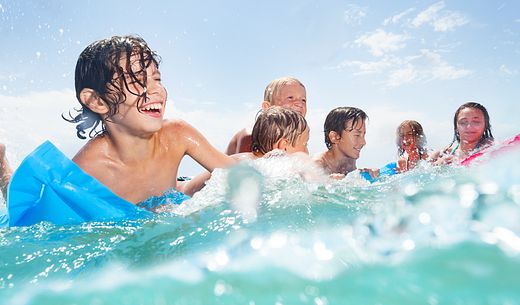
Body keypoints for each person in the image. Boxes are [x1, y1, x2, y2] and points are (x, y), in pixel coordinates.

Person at [62, 35, 235, 205]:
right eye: (137, 79)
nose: (156, 89)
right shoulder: (86, 171)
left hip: (177, 193)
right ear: (97, 101)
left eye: (157, 78)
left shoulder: (177, 135)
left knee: (243, 163)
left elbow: (239, 175)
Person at [182, 106, 310, 196]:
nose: (307, 150)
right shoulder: (248, 163)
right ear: (283, 146)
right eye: (305, 144)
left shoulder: (267, 166)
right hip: (181, 193)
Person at [225, 76, 307, 155]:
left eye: (303, 100)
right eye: (290, 98)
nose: (299, 103)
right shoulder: (251, 137)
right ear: (267, 107)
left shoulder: (298, 142)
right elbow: (245, 167)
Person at [313, 106, 368, 177]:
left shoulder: (350, 162)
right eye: (357, 135)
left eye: (363, 135)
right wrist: (329, 181)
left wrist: (367, 173)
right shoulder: (316, 166)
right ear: (335, 137)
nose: (363, 142)